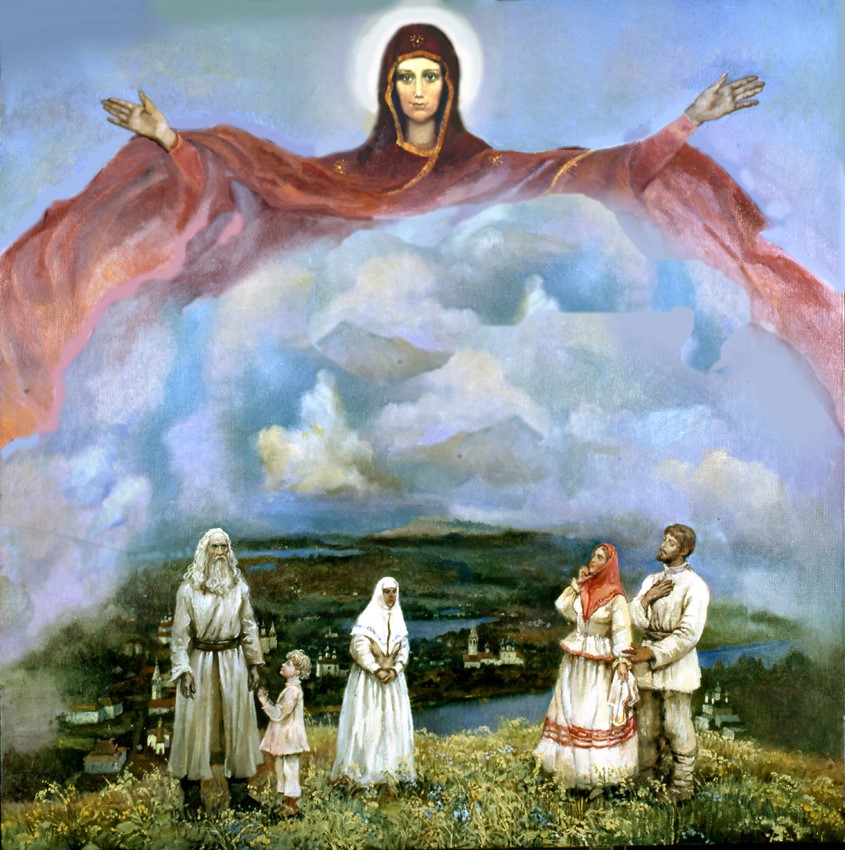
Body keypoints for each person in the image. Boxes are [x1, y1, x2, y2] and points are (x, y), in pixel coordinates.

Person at [1, 23, 839, 448]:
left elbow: (599, 172)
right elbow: (255, 184)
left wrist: (688, 121)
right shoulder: (344, 175)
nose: (416, 89)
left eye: (430, 75)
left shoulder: (491, 170)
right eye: (403, 76)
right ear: (386, 86)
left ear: (450, 83)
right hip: (327, 343)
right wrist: (171, 142)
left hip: (477, 353)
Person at [168, 528, 265, 815]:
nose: (220, 553)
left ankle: (240, 795)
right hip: (200, 662)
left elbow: (248, 626)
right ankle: (191, 800)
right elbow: (180, 636)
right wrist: (184, 671)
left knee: (237, 724)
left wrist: (253, 664)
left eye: (224, 547)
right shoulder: (189, 590)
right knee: (195, 728)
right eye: (214, 547)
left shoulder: (238, 587)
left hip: (233, 662)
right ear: (205, 551)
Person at [533, 543, 638, 796]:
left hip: (599, 667)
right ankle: (570, 774)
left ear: (608, 565)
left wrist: (622, 661)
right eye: (593, 556)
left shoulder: (616, 597)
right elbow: (562, 607)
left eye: (600, 557)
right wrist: (577, 585)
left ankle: (599, 779)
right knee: (571, 712)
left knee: (594, 714)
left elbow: (621, 631)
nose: (593, 560)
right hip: (575, 665)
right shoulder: (584, 589)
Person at [622, 523, 709, 802]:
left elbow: (688, 634)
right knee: (646, 725)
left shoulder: (695, 586)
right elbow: (635, 618)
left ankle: (681, 787)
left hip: (677, 665)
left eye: (670, 542)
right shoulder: (651, 580)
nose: (662, 545)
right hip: (645, 663)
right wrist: (647, 598)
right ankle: (646, 781)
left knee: (676, 725)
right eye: (664, 539)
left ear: (684, 551)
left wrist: (653, 653)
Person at [331, 576, 415, 786]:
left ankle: (393, 773)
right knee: (369, 725)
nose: (391, 596)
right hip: (369, 684)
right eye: (387, 592)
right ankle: (365, 773)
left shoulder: (398, 619)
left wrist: (395, 670)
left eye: (394, 592)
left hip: (392, 684)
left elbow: (404, 649)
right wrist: (376, 669)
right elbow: (358, 648)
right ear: (380, 593)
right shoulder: (367, 618)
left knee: (392, 726)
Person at [257, 649, 312, 817]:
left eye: (288, 664)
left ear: (297, 672)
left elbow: (279, 714)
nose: (283, 665)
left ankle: (292, 806)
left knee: (290, 770)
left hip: (290, 738)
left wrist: (264, 702)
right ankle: (286, 803)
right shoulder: (290, 689)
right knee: (282, 768)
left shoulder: (293, 691)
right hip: (284, 738)